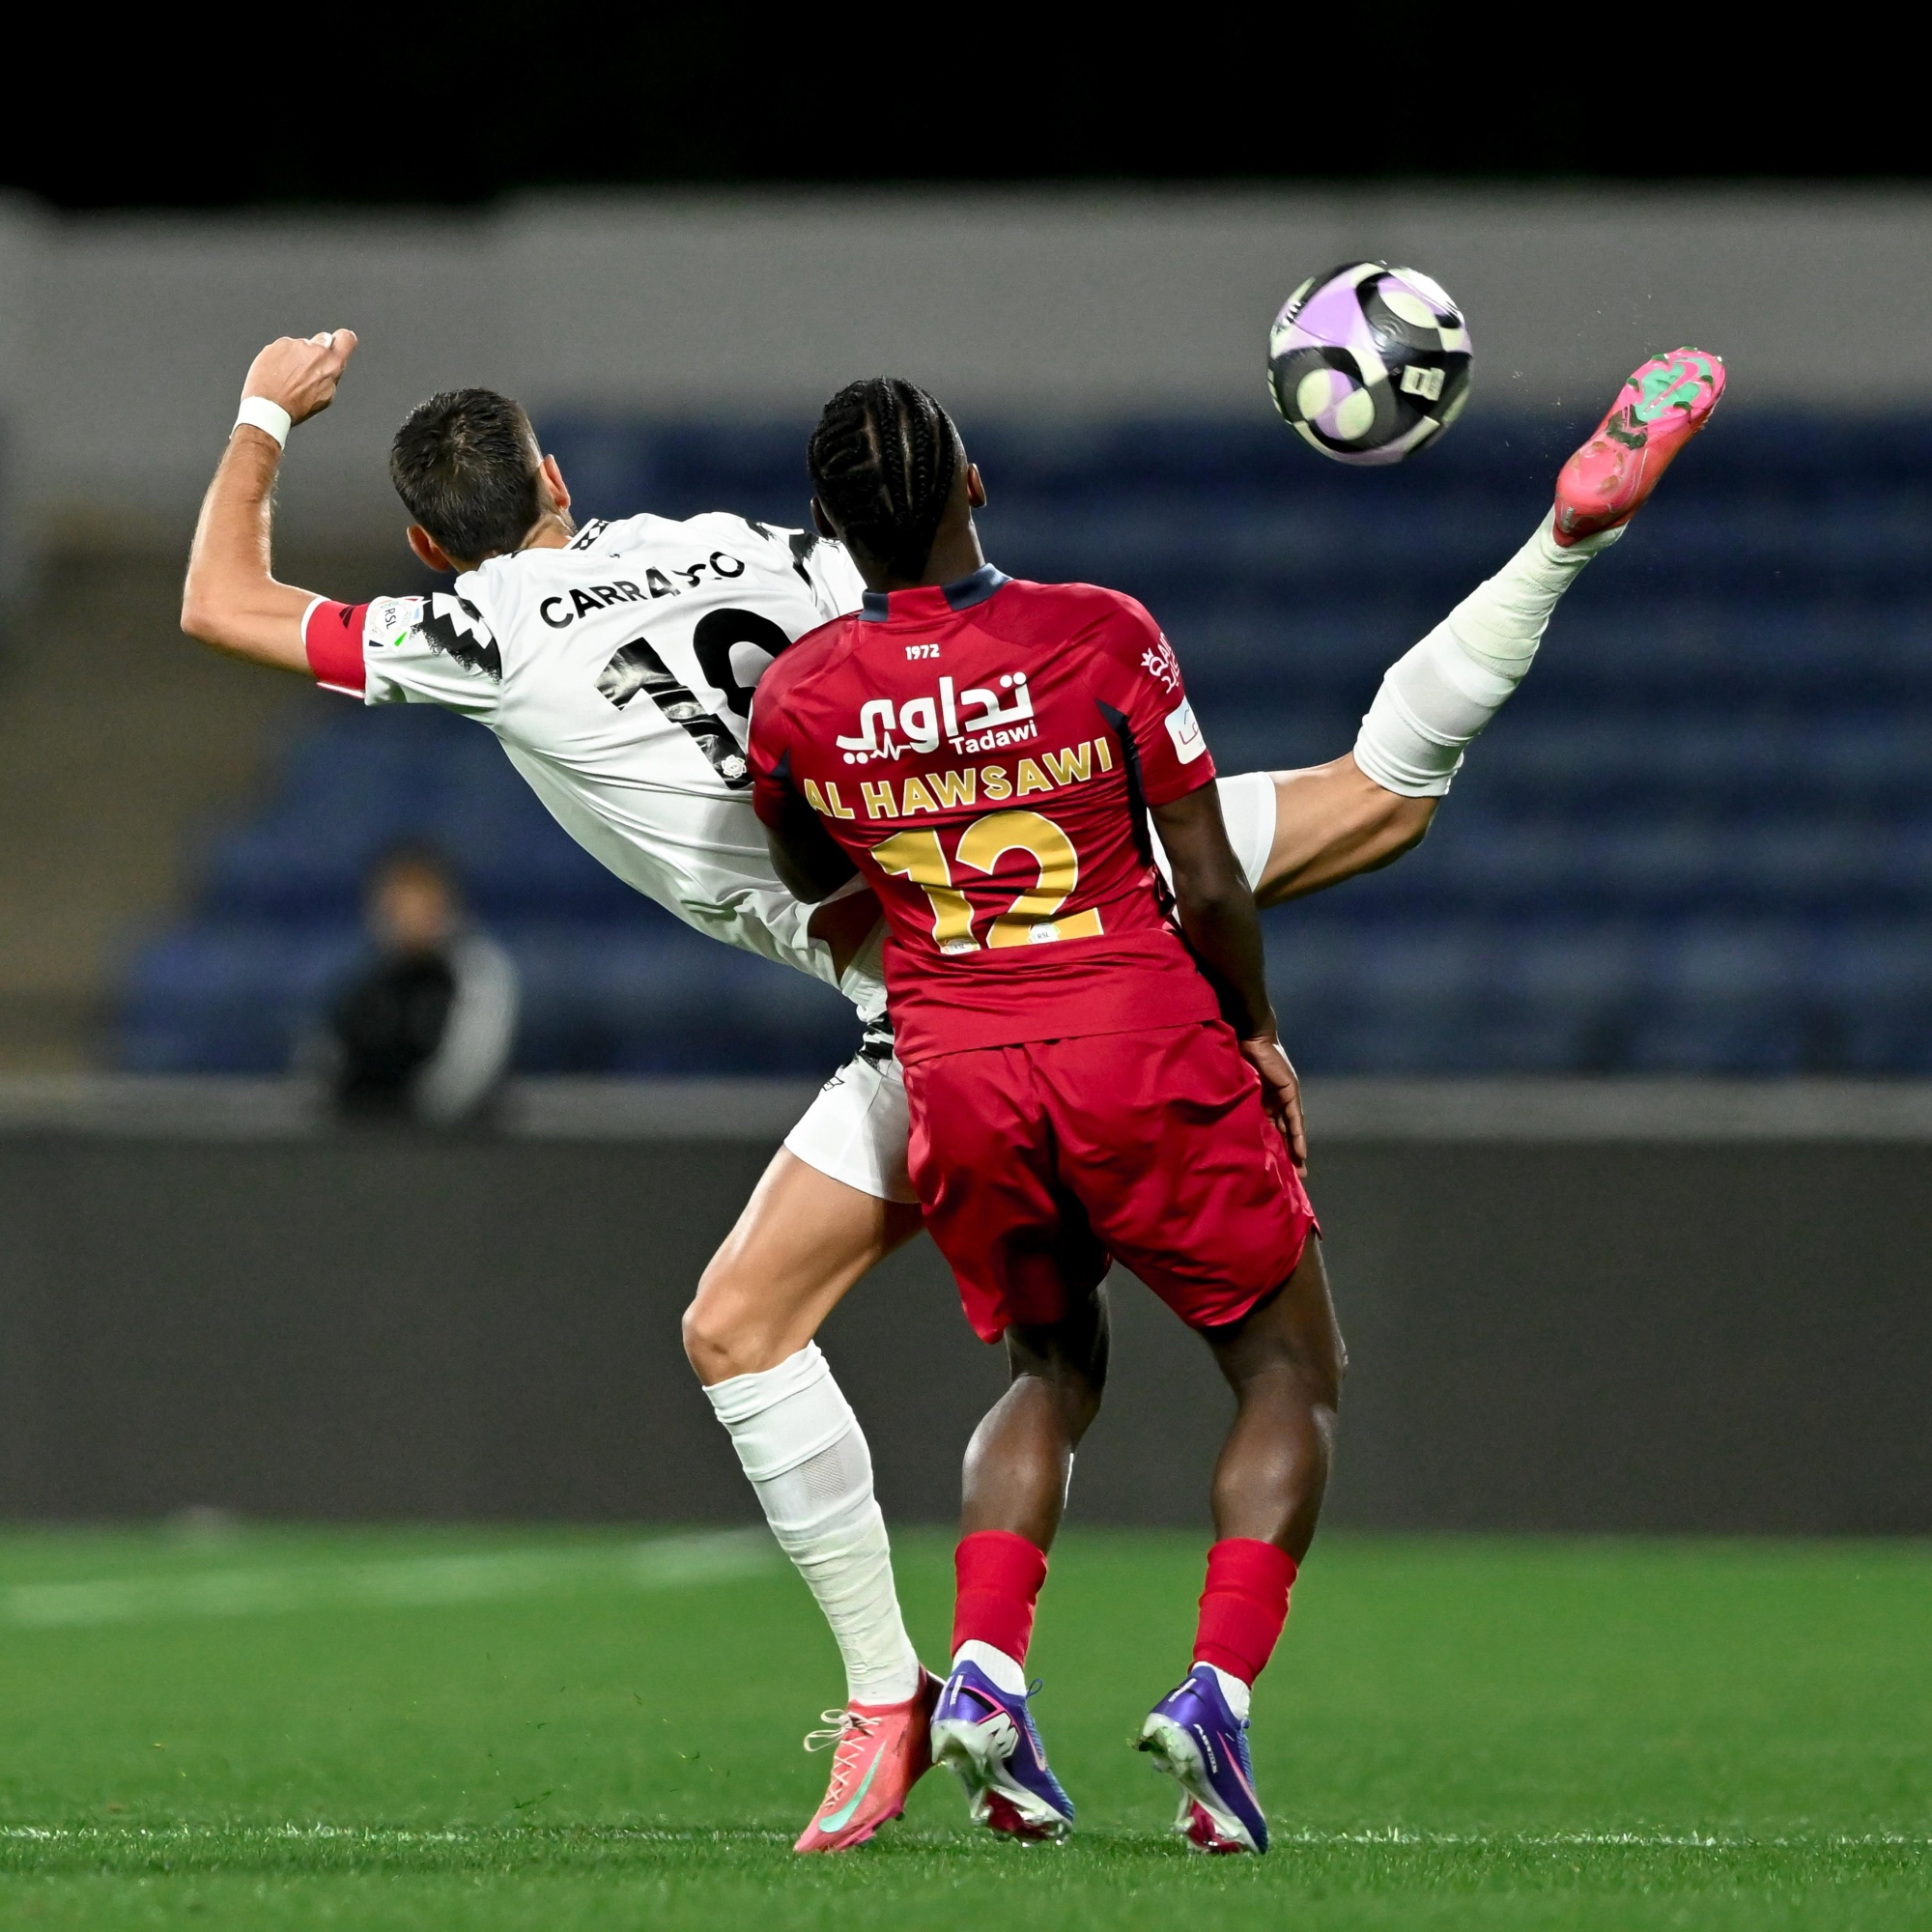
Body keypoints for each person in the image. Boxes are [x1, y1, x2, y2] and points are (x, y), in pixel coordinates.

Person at [179, 329, 1720, 1850]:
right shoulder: (735, 544)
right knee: (1375, 799)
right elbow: (928, 608)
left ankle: (890, 1695)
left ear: (428, 545)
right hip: (1078, 875)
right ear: (560, 480)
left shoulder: (474, 627)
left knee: (754, 1331)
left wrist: (264, 410)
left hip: (934, 1003)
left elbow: (221, 602)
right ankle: (1561, 543)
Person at [750, 358, 1721, 1853]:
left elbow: (819, 881)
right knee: (1287, 1370)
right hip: (1137, 1041)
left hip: (963, 1071)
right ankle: (1214, 1693)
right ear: (974, 483)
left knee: (1047, 1370)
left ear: (829, 528)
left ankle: (986, 1674)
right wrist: (1255, 1031)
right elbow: (1205, 877)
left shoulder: (801, 695)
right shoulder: (1097, 633)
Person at [321, 843, 518, 1125]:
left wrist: (410, 1118)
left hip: (458, 1138)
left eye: (420, 901)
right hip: (373, 1137)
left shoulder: (478, 972)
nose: (408, 915)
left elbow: (470, 1071)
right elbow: (330, 1062)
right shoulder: (370, 981)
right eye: (398, 903)